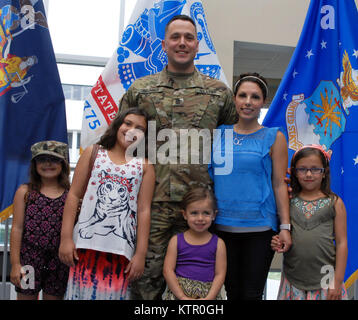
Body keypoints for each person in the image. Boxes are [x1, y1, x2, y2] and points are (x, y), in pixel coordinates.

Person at [118, 14, 237, 300]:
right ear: (164, 44)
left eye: (188, 38)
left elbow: (235, 144)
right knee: (144, 284)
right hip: (149, 205)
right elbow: (121, 145)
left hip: (199, 209)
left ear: (197, 45)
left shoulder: (219, 93)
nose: (182, 43)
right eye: (175, 37)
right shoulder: (140, 91)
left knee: (195, 284)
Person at [208, 72, 292, 300]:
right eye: (243, 95)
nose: (248, 101)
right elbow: (208, 180)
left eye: (255, 97)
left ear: (263, 102)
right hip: (222, 227)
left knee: (252, 294)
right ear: (234, 99)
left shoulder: (274, 137)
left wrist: (285, 227)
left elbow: (279, 184)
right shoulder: (217, 135)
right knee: (232, 293)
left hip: (260, 230)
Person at [59, 108, 155, 300]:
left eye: (140, 128)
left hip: (120, 254)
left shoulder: (144, 166)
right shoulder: (93, 153)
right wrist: (66, 238)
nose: (131, 130)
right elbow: (73, 195)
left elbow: (144, 210)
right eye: (128, 123)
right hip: (84, 249)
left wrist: (140, 254)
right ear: (118, 124)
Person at [271, 145, 348, 300]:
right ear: (294, 172)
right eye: (302, 169)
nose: (308, 174)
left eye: (315, 169)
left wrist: (337, 281)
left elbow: (341, 243)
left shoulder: (335, 202)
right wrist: (277, 241)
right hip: (293, 279)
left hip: (327, 280)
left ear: (324, 172)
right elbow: (282, 232)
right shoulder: (287, 201)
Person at [10, 140, 70, 300]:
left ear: (63, 164)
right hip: (29, 261)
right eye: (42, 159)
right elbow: (17, 228)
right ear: (34, 164)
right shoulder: (25, 192)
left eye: (54, 159)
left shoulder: (71, 195)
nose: (48, 164)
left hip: (59, 263)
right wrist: (15, 264)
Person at [162, 187, 226, 300]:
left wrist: (209, 298)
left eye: (206, 213)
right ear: (185, 214)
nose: (200, 218)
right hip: (179, 294)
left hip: (208, 295)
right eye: (194, 213)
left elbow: (220, 274)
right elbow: (168, 271)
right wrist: (182, 297)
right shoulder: (176, 241)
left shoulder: (219, 244)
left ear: (214, 215)